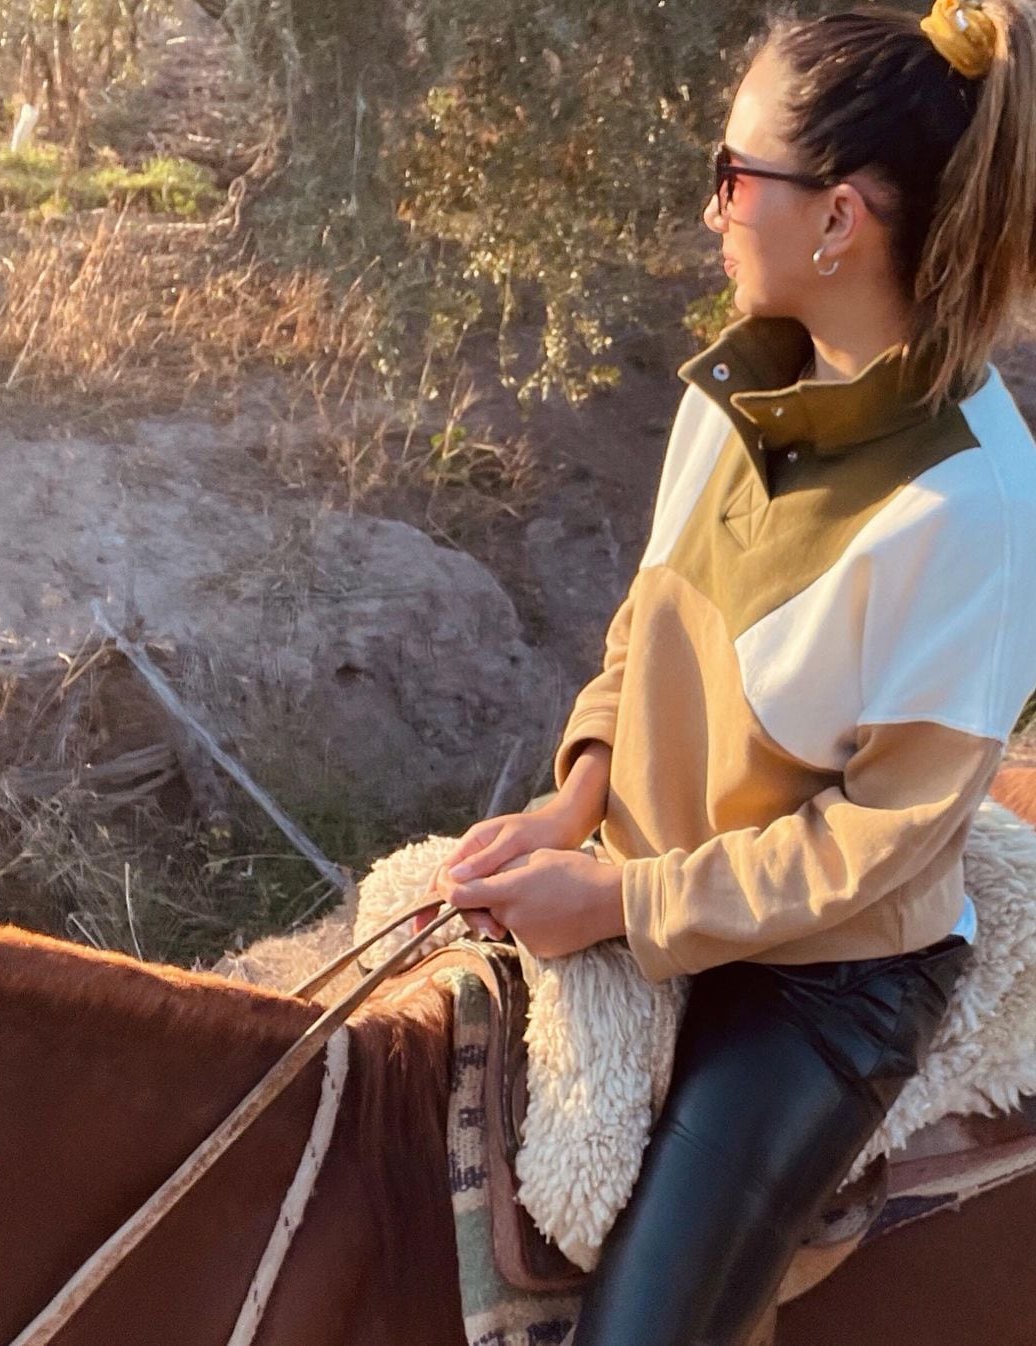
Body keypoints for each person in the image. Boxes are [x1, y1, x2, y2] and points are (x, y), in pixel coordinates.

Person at [417, 1, 1036, 1341]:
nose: (712, 207)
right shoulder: (736, 384)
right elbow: (644, 630)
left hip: (824, 977)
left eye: (735, 174)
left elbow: (870, 849)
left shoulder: (973, 504)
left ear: (841, 219)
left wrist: (621, 900)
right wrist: (575, 799)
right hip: (638, 864)